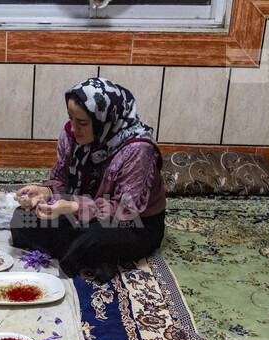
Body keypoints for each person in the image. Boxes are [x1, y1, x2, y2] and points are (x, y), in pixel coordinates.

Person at [11, 78, 165, 282]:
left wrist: (73, 206)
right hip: (84, 209)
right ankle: (93, 257)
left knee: (95, 238)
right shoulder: (72, 135)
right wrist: (45, 193)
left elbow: (125, 209)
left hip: (133, 221)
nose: (73, 128)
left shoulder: (137, 150)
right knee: (22, 219)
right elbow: (61, 181)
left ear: (105, 121)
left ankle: (89, 252)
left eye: (82, 123)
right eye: (71, 119)